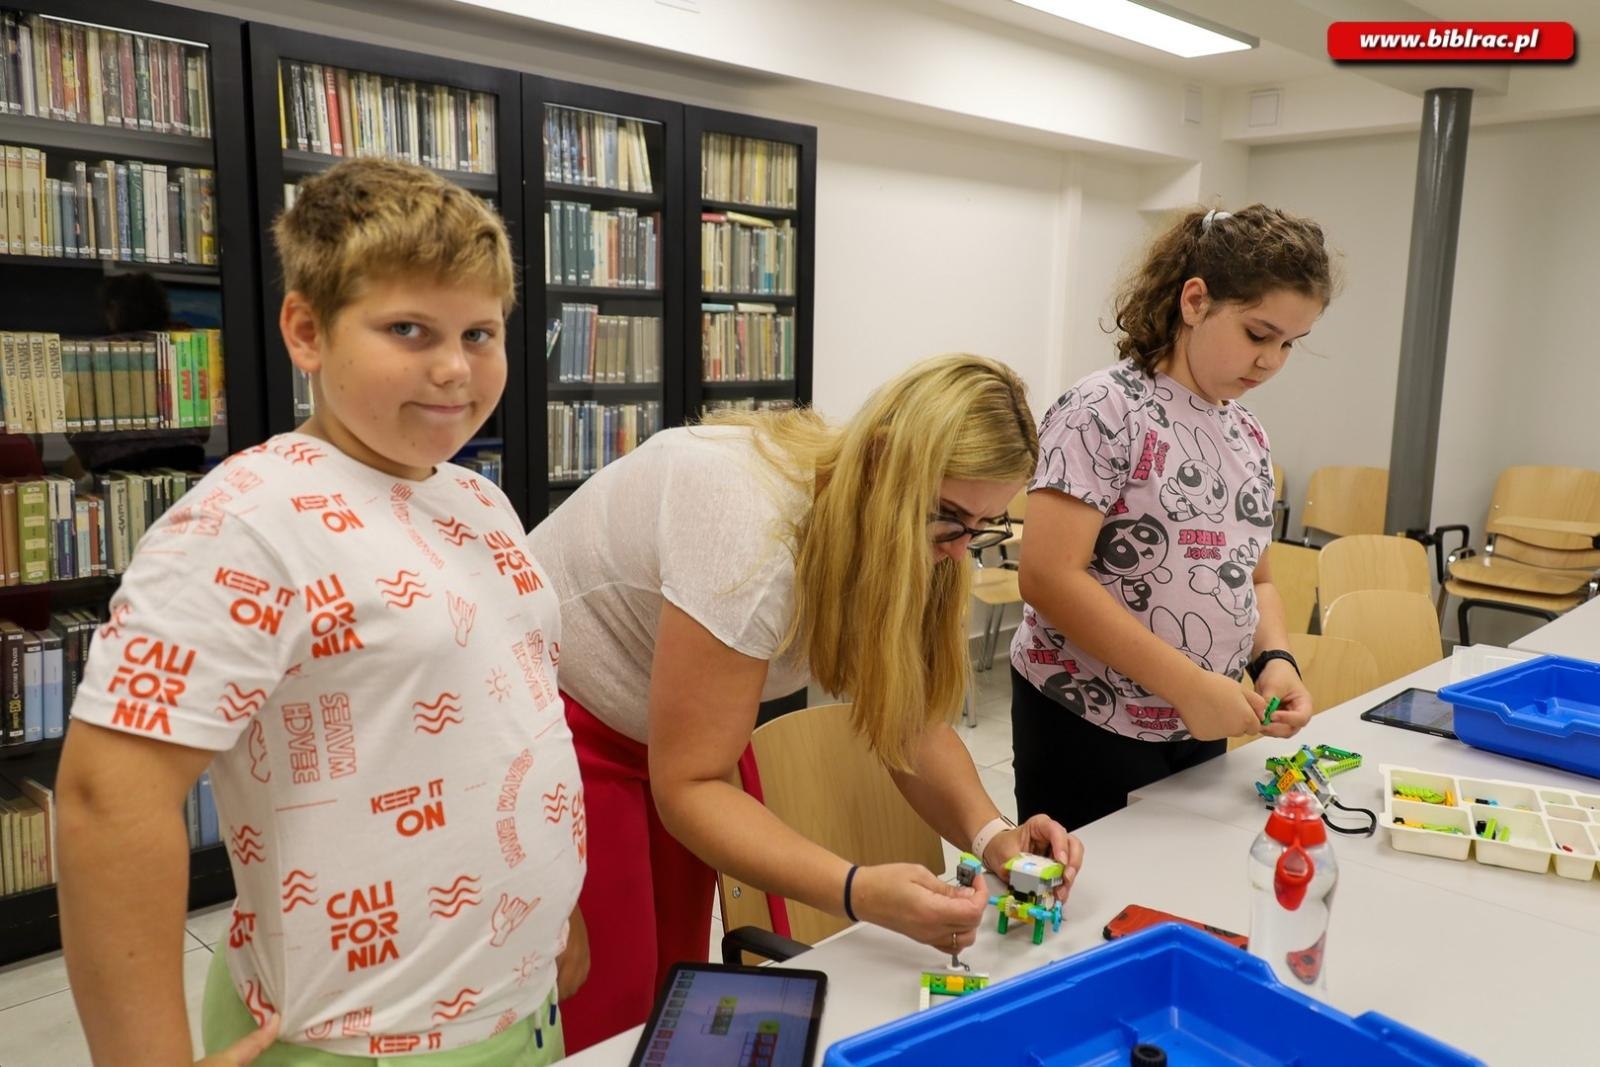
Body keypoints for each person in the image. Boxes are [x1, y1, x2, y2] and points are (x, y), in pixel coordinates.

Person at [57, 158, 586, 1067]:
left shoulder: (476, 497)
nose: (455, 368)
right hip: (359, 1039)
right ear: (306, 330)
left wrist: (550, 914)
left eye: (481, 331)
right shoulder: (244, 523)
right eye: (408, 329)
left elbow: (509, 716)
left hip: (513, 1002)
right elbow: (109, 800)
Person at [529, 353, 1087, 1051]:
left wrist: (991, 834)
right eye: (949, 519)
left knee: (668, 989)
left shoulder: (905, 525)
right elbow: (692, 782)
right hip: (557, 725)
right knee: (606, 1016)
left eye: (981, 525)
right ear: (884, 459)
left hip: (665, 729)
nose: (956, 551)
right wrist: (855, 890)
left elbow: (904, 713)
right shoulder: (751, 530)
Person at [1010, 204, 1333, 832]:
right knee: (1092, 906)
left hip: (1199, 715)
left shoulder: (1247, 433)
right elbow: (1047, 578)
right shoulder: (1104, 408)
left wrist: (1276, 662)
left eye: (1290, 343)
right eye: (1258, 333)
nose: (1271, 360)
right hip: (1085, 718)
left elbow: (1256, 579)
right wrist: (1187, 682)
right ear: (1194, 301)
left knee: (1173, 888)